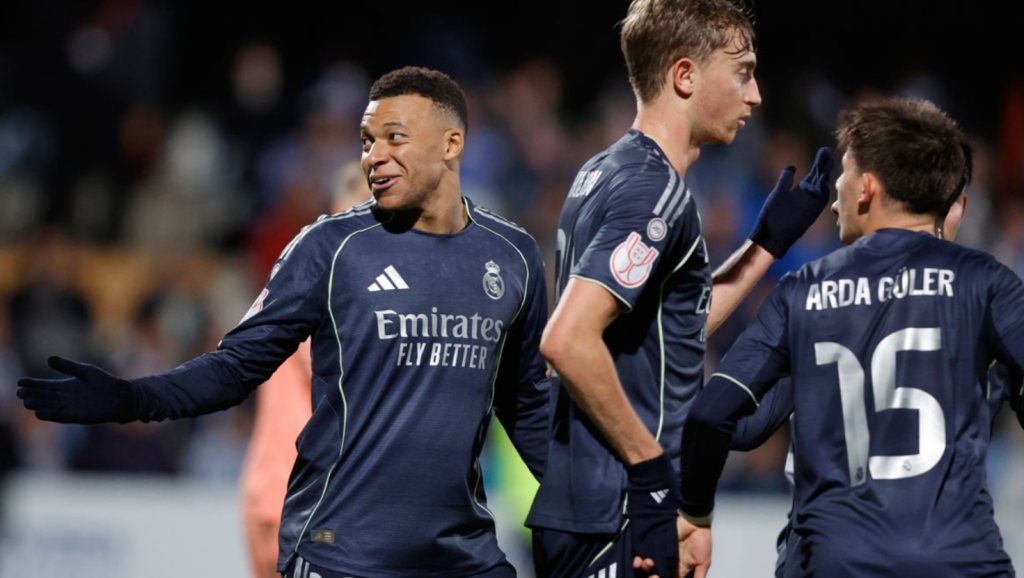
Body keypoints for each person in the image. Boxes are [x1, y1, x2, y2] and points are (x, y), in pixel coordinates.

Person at [18, 67, 551, 578]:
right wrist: (131, 398)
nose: (374, 156)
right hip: (344, 553)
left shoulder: (513, 256)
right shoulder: (329, 249)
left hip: (462, 556)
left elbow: (525, 404)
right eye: (366, 141)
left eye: (394, 138)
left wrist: (595, 500)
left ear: (452, 144)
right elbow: (234, 369)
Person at [525, 1, 834, 577]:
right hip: (623, 509)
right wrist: (651, 473)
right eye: (742, 72)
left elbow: (669, 329)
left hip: (586, 506)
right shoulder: (654, 191)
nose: (755, 95)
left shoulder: (604, 170)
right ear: (685, 75)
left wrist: (763, 247)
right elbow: (567, 339)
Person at [676, 97, 1024, 578]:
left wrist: (694, 515)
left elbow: (718, 417)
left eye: (843, 173)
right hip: (960, 561)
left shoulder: (803, 292)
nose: (834, 196)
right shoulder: (987, 284)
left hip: (831, 561)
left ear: (867, 187)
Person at [239, 160, 372, 578]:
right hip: (308, 500)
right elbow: (329, 362)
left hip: (268, 490)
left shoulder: (295, 269)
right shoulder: (334, 275)